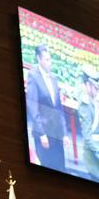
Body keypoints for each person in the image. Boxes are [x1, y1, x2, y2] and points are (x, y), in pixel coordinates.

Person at [26, 44, 68, 172]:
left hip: (57, 135)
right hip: (44, 134)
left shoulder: (53, 79)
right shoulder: (33, 76)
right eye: (47, 60)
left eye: (50, 59)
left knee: (61, 169)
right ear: (39, 59)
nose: (50, 63)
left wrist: (64, 133)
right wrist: (41, 133)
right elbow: (32, 106)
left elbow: (59, 108)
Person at [77, 65, 99, 184]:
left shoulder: (93, 101)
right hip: (95, 158)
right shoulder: (84, 105)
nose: (97, 91)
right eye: (95, 88)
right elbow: (87, 137)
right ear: (88, 85)